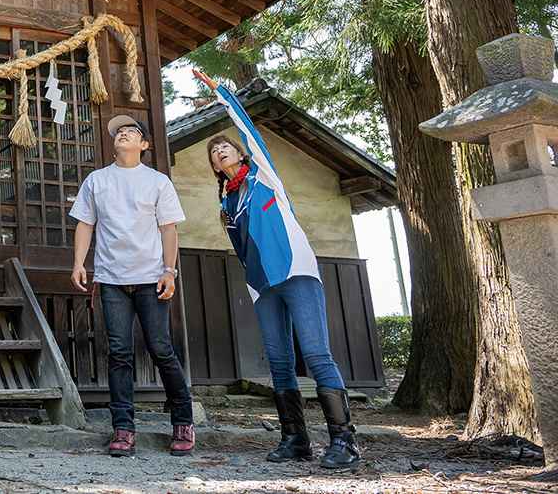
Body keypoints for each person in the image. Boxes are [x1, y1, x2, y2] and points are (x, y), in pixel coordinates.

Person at [192, 68, 360, 470]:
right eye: (214, 154)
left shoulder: (265, 178)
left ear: (241, 153)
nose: (220, 153)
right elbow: (242, 247)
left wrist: (223, 96)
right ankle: (295, 439)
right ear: (215, 167)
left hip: (297, 273)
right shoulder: (226, 205)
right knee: (279, 362)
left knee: (317, 355)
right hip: (262, 286)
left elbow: (249, 131)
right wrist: (252, 285)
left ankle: (344, 442)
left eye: (225, 148)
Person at [69, 114, 195, 458]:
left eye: (131, 131)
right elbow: (85, 224)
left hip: (151, 277)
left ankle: (183, 419)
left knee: (160, 348)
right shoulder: (97, 180)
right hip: (111, 279)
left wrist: (170, 270)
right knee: (119, 353)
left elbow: (169, 229)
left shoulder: (157, 182)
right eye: (119, 132)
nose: (123, 134)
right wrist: (80, 263)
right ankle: (123, 428)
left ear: (144, 145)